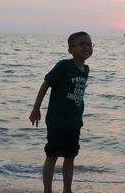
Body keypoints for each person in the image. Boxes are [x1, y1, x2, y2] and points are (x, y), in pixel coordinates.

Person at [29, 31, 94, 193]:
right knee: (52, 156)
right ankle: (47, 190)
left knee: (70, 156)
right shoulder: (64, 66)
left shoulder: (85, 69)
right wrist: (36, 108)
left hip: (74, 121)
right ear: (70, 49)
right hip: (57, 120)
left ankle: (67, 190)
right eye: (82, 44)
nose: (87, 47)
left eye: (89, 44)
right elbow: (46, 84)